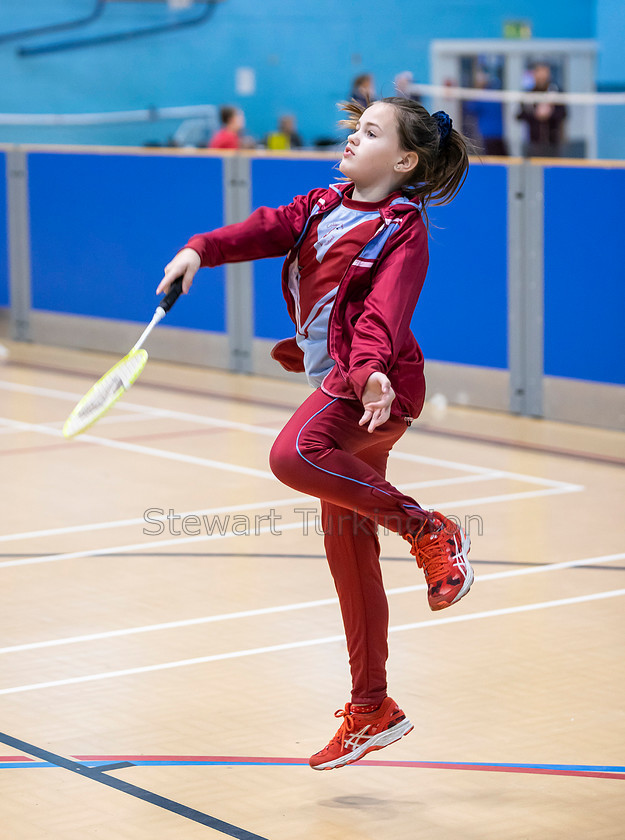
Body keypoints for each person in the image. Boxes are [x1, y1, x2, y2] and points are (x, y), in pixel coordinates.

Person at [157, 96, 474, 771]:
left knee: (294, 452)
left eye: (370, 131)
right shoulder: (323, 206)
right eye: (355, 128)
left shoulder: (400, 227)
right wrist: (196, 251)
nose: (352, 138)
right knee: (347, 554)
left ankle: (427, 529)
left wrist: (367, 375)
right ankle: (372, 708)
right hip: (349, 387)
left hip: (374, 386)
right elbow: (262, 229)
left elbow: (383, 316)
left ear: (404, 159)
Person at [517, 62, 567, 157]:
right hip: (533, 143)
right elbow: (519, 115)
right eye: (539, 73)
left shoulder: (556, 92)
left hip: (553, 143)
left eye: (545, 73)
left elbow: (564, 113)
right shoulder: (528, 94)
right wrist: (536, 114)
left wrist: (549, 113)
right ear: (534, 74)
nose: (542, 76)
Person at [464, 70, 508, 156]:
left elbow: (469, 107)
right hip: (498, 133)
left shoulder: (483, 96)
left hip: (488, 133)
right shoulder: (495, 92)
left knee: (492, 159)